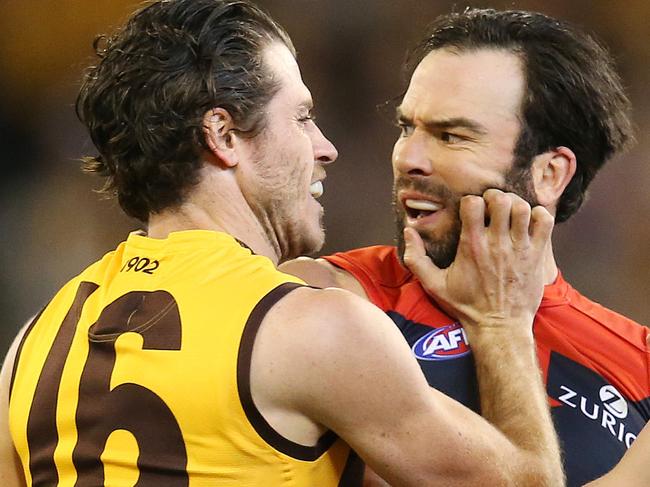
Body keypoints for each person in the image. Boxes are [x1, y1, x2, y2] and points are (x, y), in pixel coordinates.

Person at [0, 1, 566, 486]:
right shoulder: (312, 329)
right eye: (301, 118)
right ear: (223, 136)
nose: (325, 147)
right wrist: (501, 326)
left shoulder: (36, 341)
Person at [280, 8, 649, 487]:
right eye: (407, 128)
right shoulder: (323, 299)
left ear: (549, 173)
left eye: (451, 136)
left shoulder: (640, 365)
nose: (408, 159)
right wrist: (498, 326)